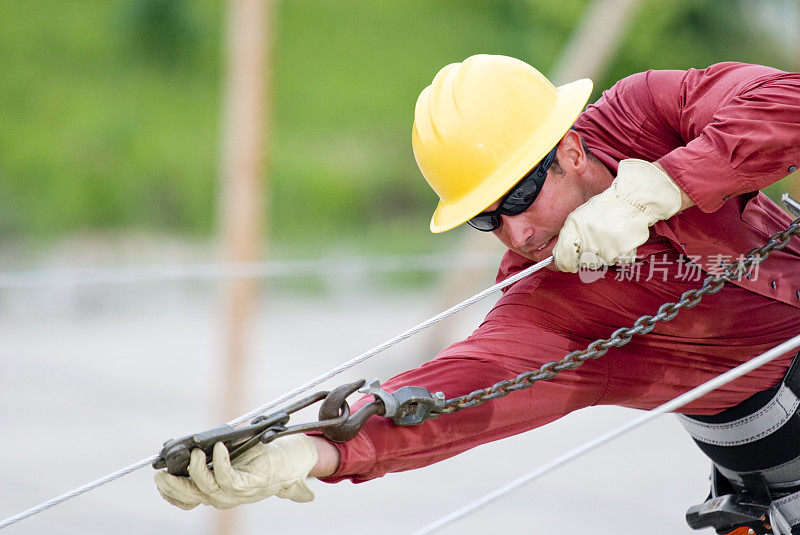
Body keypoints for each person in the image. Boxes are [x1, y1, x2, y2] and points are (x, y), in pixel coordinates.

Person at [154, 55, 800, 533]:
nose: (516, 231)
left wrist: (665, 184)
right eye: (486, 217)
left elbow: (786, 101)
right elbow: (461, 388)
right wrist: (318, 449)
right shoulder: (551, 301)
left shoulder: (647, 115)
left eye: (519, 196)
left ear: (570, 148)